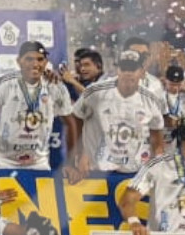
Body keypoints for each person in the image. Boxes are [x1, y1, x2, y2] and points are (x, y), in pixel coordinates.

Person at [66, 49, 164, 182]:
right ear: (118, 70)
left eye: (133, 69)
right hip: (97, 171)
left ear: (141, 71)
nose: (128, 73)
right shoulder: (95, 92)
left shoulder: (150, 99)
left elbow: (157, 140)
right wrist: (79, 156)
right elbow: (76, 119)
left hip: (133, 172)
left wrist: (156, 171)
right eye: (124, 68)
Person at [0, 41, 74, 170]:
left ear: (46, 62)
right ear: (19, 61)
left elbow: (71, 123)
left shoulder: (56, 86)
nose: (35, 64)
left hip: (39, 162)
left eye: (40, 59)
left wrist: (71, 163)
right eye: (29, 59)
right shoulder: (5, 84)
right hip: (5, 161)